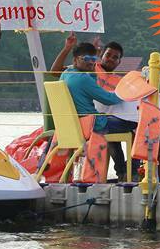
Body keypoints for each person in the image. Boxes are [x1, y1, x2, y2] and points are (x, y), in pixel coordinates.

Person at [58, 42, 139, 181]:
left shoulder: (66, 74)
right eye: (86, 59)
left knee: (114, 129)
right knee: (138, 124)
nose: (90, 63)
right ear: (75, 59)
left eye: (93, 59)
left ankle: (123, 172)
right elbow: (109, 99)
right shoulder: (83, 79)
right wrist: (130, 91)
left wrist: (92, 72)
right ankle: (133, 171)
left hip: (77, 124)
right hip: (93, 124)